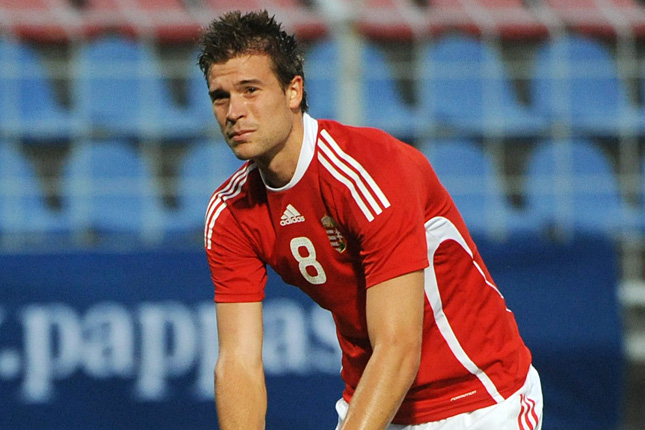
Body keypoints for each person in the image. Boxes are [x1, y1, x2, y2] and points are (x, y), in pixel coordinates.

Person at [197, 9, 543, 430]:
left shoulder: (371, 170)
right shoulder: (230, 212)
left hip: (482, 397)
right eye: (220, 96)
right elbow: (238, 361)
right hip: (374, 397)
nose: (234, 111)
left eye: (250, 90)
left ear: (293, 91)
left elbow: (398, 347)